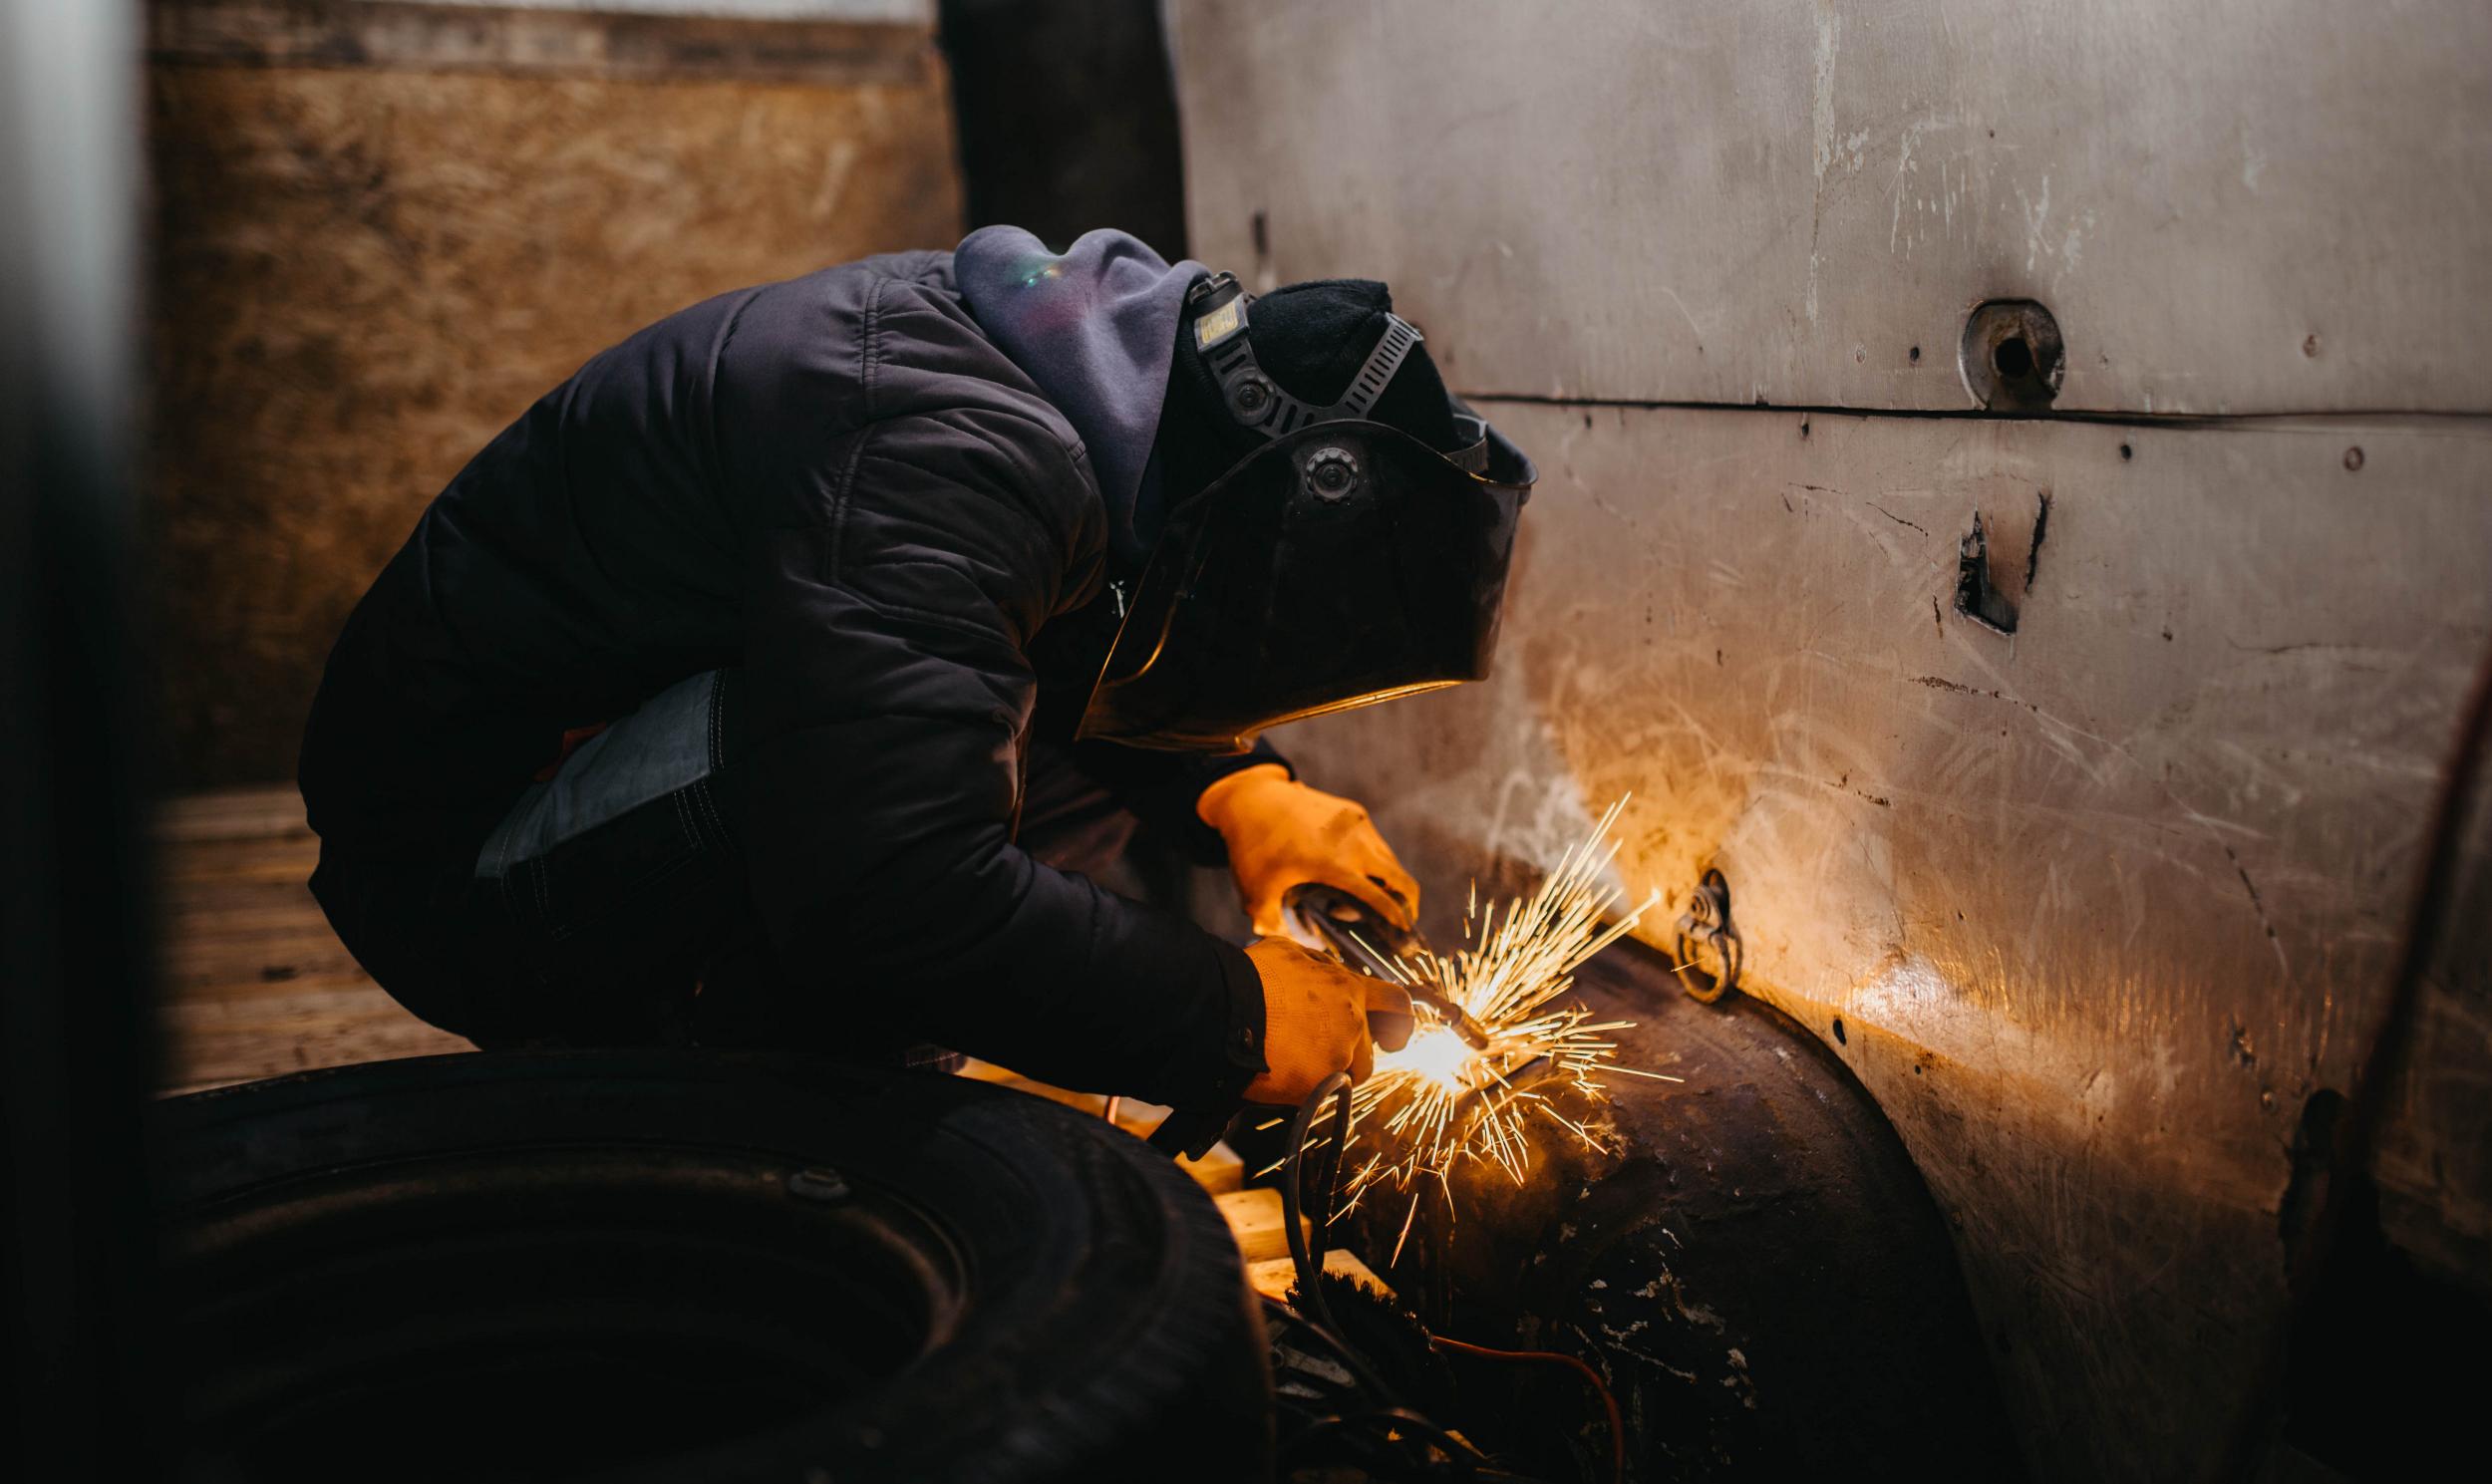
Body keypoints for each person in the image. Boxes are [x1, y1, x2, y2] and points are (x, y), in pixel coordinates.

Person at [298, 226, 1535, 1117]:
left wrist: (1237, 791)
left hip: (600, 781)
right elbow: (882, 875)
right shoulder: (946, 449)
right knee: (902, 813)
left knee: (983, 731)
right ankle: (704, 1082)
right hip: (458, 877)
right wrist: (1229, 1014)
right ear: (1271, 514)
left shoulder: (1081, 381)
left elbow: (996, 644)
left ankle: (800, 1042)